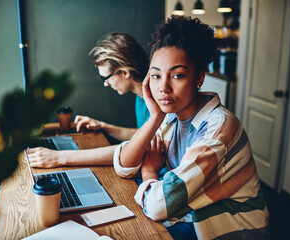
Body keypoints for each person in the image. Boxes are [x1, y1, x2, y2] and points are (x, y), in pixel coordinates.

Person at [113, 16, 270, 240]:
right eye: (156, 76)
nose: (163, 87)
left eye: (177, 75)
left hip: (231, 233)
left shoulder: (219, 130)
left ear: (199, 79)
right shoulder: (171, 117)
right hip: (193, 222)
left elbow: (159, 205)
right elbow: (124, 165)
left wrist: (149, 172)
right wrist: (155, 117)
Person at [27, 32, 151, 167]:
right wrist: (103, 126)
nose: (105, 84)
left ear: (125, 72)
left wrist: (59, 157)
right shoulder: (141, 97)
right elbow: (142, 135)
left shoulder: (158, 101)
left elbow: (135, 149)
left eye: (105, 78)